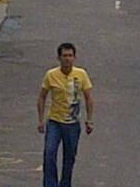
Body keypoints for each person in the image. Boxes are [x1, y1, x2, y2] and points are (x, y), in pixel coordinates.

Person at [38, 43, 94, 187]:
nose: (67, 59)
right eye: (64, 56)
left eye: (70, 56)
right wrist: (40, 120)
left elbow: (88, 97)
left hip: (72, 124)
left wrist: (89, 120)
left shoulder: (81, 74)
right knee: (49, 153)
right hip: (55, 121)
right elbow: (42, 97)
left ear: (74, 58)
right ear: (59, 58)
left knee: (69, 158)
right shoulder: (51, 75)